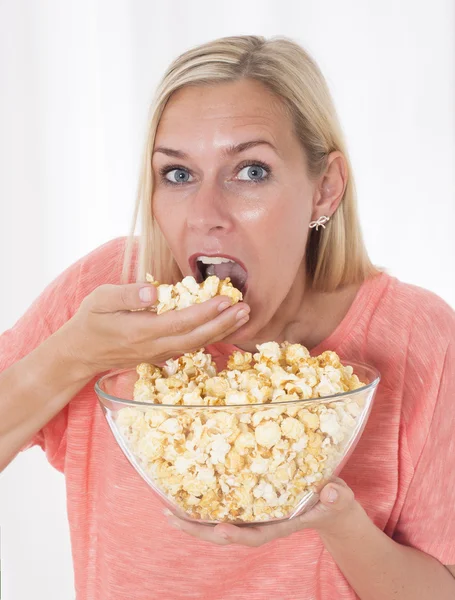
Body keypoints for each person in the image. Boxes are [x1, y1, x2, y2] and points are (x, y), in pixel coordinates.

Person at [1, 35, 454, 600]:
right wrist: (73, 356)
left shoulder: (418, 339)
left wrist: (338, 522)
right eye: (178, 175)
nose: (206, 215)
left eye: (251, 172)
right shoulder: (111, 292)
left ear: (325, 189)